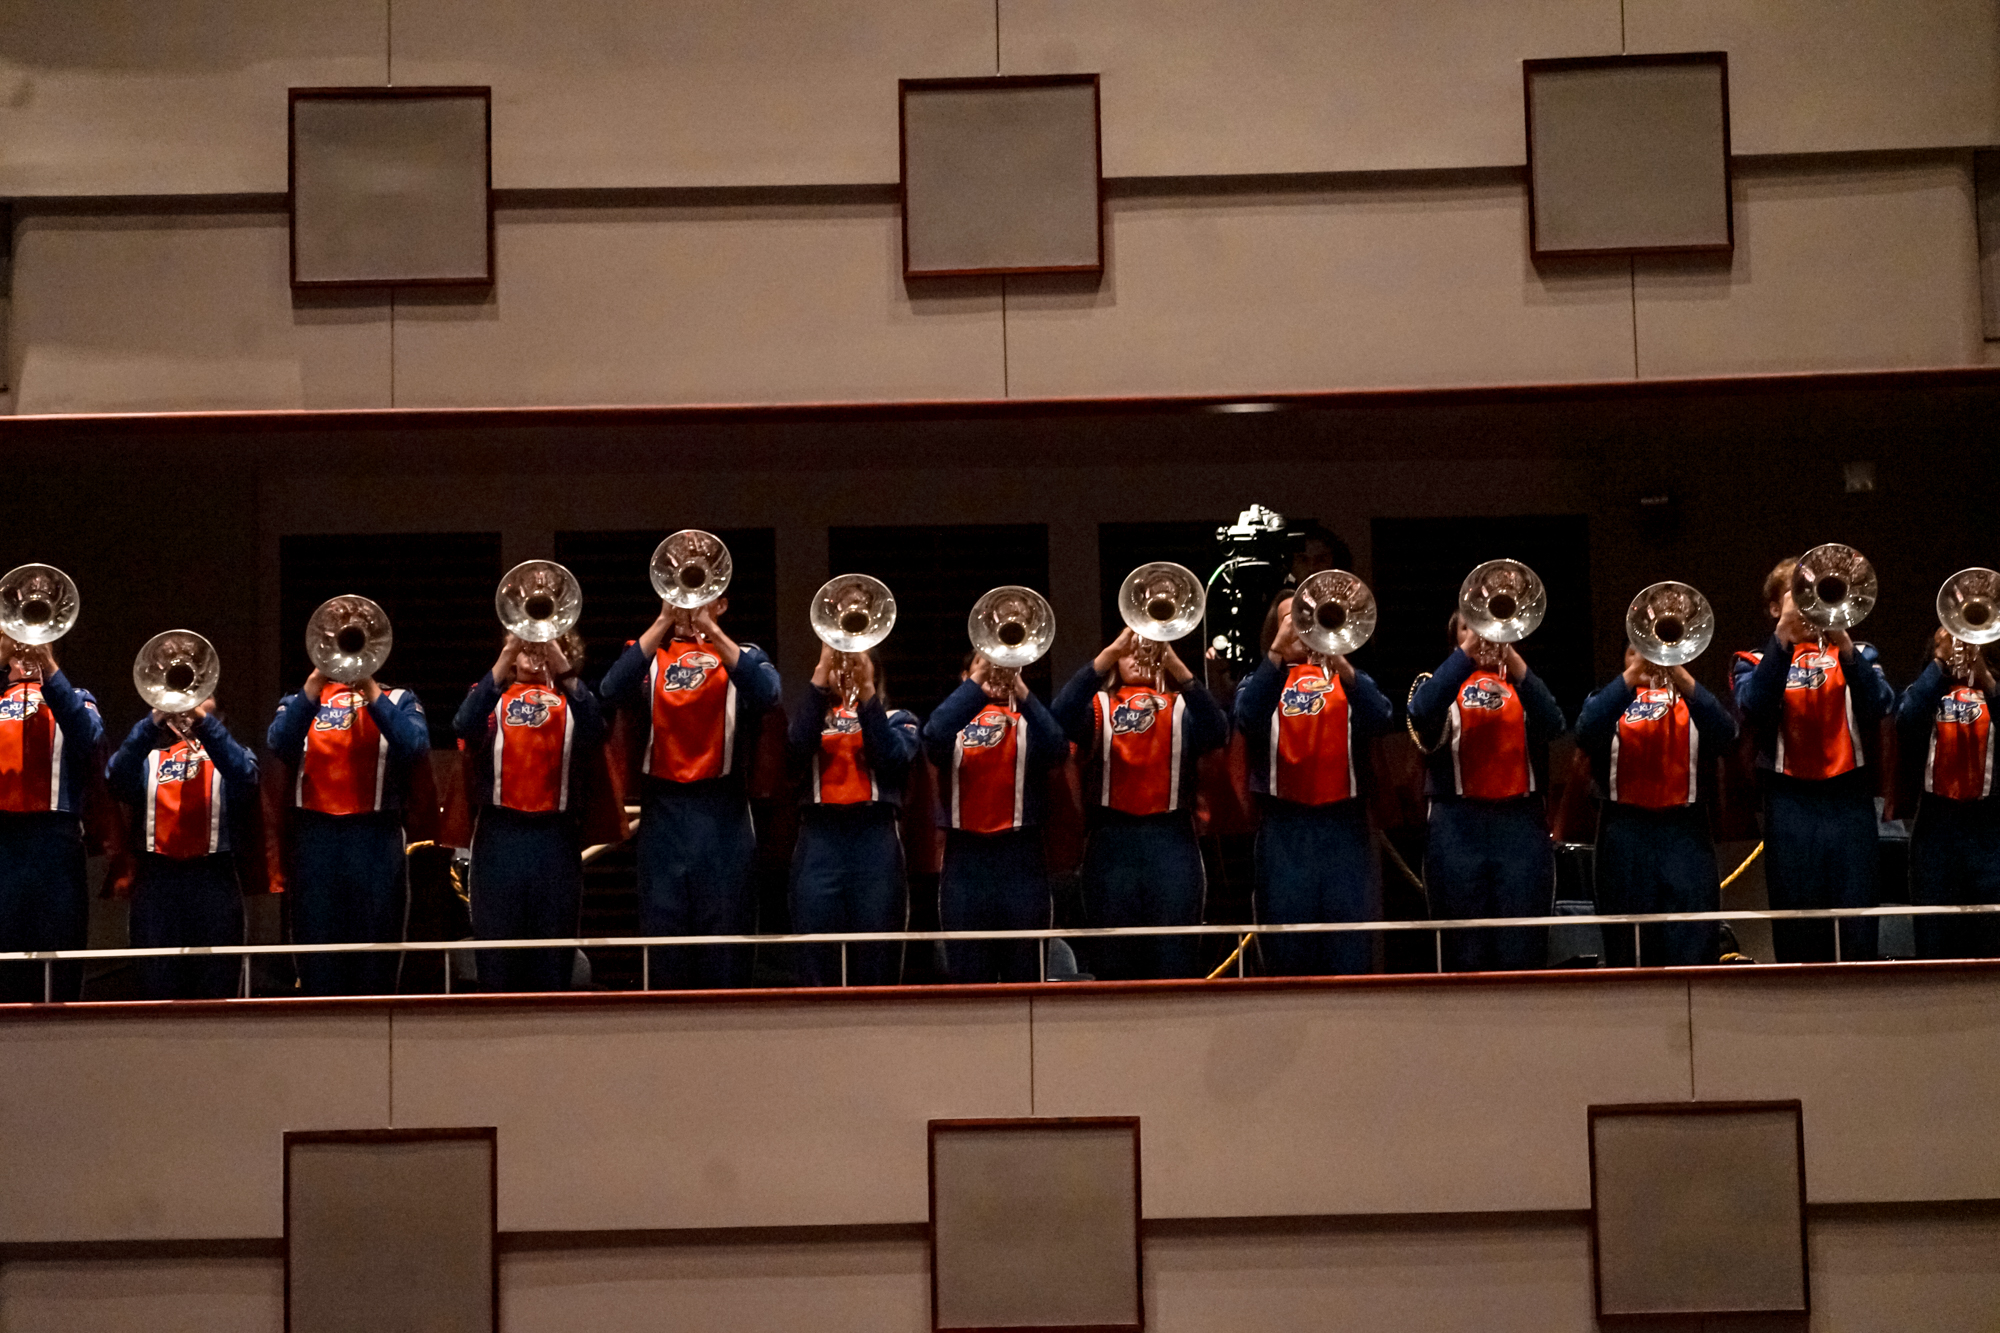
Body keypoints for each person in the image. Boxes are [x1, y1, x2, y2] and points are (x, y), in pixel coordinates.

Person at [599, 595, 780, 989]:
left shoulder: (744, 654)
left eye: (701, 594)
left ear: (723, 603)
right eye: (677, 593)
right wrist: (664, 620)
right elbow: (610, 690)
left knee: (726, 946)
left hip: (724, 813)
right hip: (663, 811)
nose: (687, 603)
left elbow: (768, 694)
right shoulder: (646, 652)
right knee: (665, 945)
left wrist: (711, 630)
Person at [1731, 559, 1896, 963]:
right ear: (1774, 606)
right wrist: (1783, 638)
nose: (1808, 603)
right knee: (1796, 919)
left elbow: (1879, 707)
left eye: (1814, 592)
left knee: (1857, 917)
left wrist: (1842, 640)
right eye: (1796, 593)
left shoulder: (1859, 652)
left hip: (1849, 797)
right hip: (1790, 802)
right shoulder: (1752, 661)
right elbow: (1754, 707)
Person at [1051, 628, 1230, 980]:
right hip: (1111, 842)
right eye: (1130, 649)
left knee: (1175, 961)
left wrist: (1176, 666)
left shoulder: (1183, 706)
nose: (1139, 654)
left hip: (1171, 842)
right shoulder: (1099, 705)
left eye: (1150, 649)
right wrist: (1106, 656)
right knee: (1113, 964)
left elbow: (1216, 731)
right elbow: (1060, 717)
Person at [1233, 596, 1395, 975]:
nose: (1303, 627)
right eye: (1293, 619)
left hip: (1345, 828)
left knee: (1351, 952)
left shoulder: (1350, 679)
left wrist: (1337, 657)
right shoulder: (1259, 682)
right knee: (1288, 954)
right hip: (1285, 830)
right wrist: (1277, 653)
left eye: (1310, 618)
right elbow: (1247, 718)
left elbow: (1382, 717)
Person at [267, 640, 430, 996]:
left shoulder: (400, 698)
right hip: (316, 839)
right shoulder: (297, 701)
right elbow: (279, 743)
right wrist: (314, 683)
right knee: (317, 954)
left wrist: (370, 687)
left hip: (376, 836)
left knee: (377, 955)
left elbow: (414, 745)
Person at [1407, 615, 1567, 971]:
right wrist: (1466, 653)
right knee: (1464, 951)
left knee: (1522, 949)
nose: (1481, 634)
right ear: (1454, 641)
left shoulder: (1522, 683)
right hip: (1457, 826)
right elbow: (1420, 711)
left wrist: (1509, 654)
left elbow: (1553, 723)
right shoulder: (1438, 684)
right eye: (1468, 626)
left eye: (1489, 625)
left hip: (1519, 824)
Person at [453, 631, 602, 992]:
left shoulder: (573, 701)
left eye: (543, 644)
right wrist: (505, 659)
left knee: (553, 963)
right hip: (499, 840)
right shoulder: (491, 697)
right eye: (524, 644)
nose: (532, 650)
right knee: (497, 961)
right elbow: (463, 724)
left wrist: (559, 661)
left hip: (554, 840)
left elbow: (597, 729)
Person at [1574, 647, 1738, 967]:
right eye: (1637, 649)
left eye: (1660, 650)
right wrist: (1633, 675)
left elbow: (1726, 733)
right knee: (1628, 947)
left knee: (1694, 943)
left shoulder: (1694, 699)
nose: (1650, 657)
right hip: (1624, 833)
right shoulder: (1607, 699)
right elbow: (1584, 731)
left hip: (1686, 833)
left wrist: (1679, 674)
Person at [921, 653, 1068, 983]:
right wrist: (980, 679)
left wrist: (1020, 688)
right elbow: (932, 736)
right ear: (965, 675)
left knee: (1026, 975)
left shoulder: (1029, 719)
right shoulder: (954, 724)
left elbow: (1058, 748)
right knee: (969, 981)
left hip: (1020, 860)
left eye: (1005, 663)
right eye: (983, 662)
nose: (996, 670)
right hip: (965, 861)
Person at [105, 698, 259, 999]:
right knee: (154, 986)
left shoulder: (236, 755)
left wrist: (205, 723)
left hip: (214, 879)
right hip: (157, 881)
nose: (188, 700)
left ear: (220, 709)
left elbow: (246, 778)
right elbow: (115, 777)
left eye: (201, 693)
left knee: (218, 988)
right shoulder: (148, 758)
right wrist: (153, 722)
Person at [787, 647, 920, 986]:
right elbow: (795, 749)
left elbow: (891, 759)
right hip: (820, 837)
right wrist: (820, 673)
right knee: (814, 948)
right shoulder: (813, 718)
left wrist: (867, 695)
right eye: (839, 665)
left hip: (874, 837)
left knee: (878, 951)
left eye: (856, 664)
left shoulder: (896, 716)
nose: (845, 671)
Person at [0, 639, 104, 1002]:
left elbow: (89, 738)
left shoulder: (76, 696)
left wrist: (49, 669)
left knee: (60, 951)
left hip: (54, 838)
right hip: (3, 841)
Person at [1895, 630, 1998, 960]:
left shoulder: (1994, 689)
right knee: (1934, 946)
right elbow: (1906, 722)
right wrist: (1939, 663)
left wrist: (1985, 679)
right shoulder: (1926, 688)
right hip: (1936, 833)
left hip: (1991, 832)